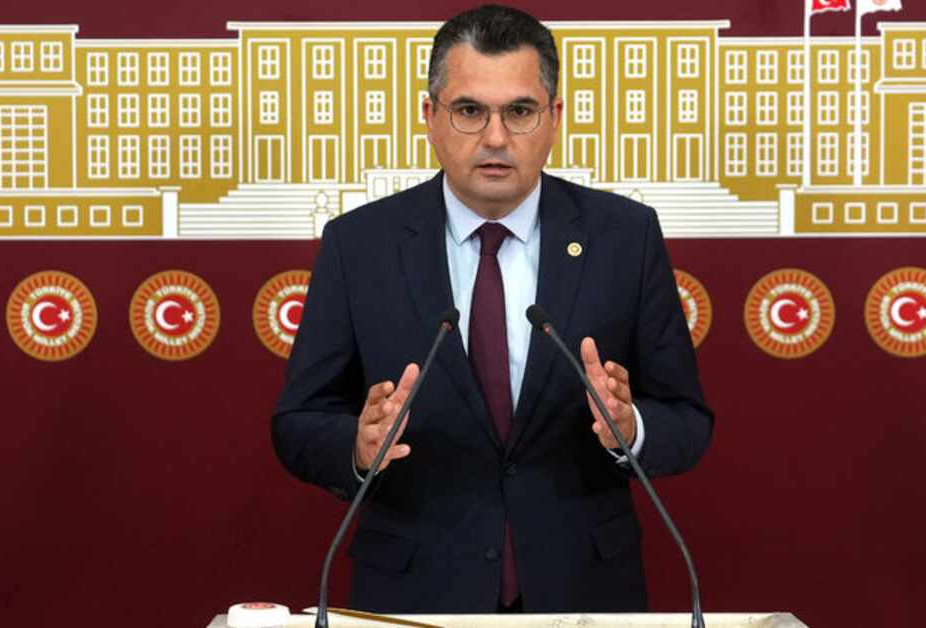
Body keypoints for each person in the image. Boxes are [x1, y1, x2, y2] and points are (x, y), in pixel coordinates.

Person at [272, 4, 713, 614]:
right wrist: (358, 444)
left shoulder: (625, 236)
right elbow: (298, 421)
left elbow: (688, 419)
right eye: (470, 110)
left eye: (520, 111)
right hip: (415, 591)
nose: (496, 138)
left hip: (583, 591)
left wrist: (629, 426)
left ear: (555, 119)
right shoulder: (359, 244)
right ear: (430, 117)